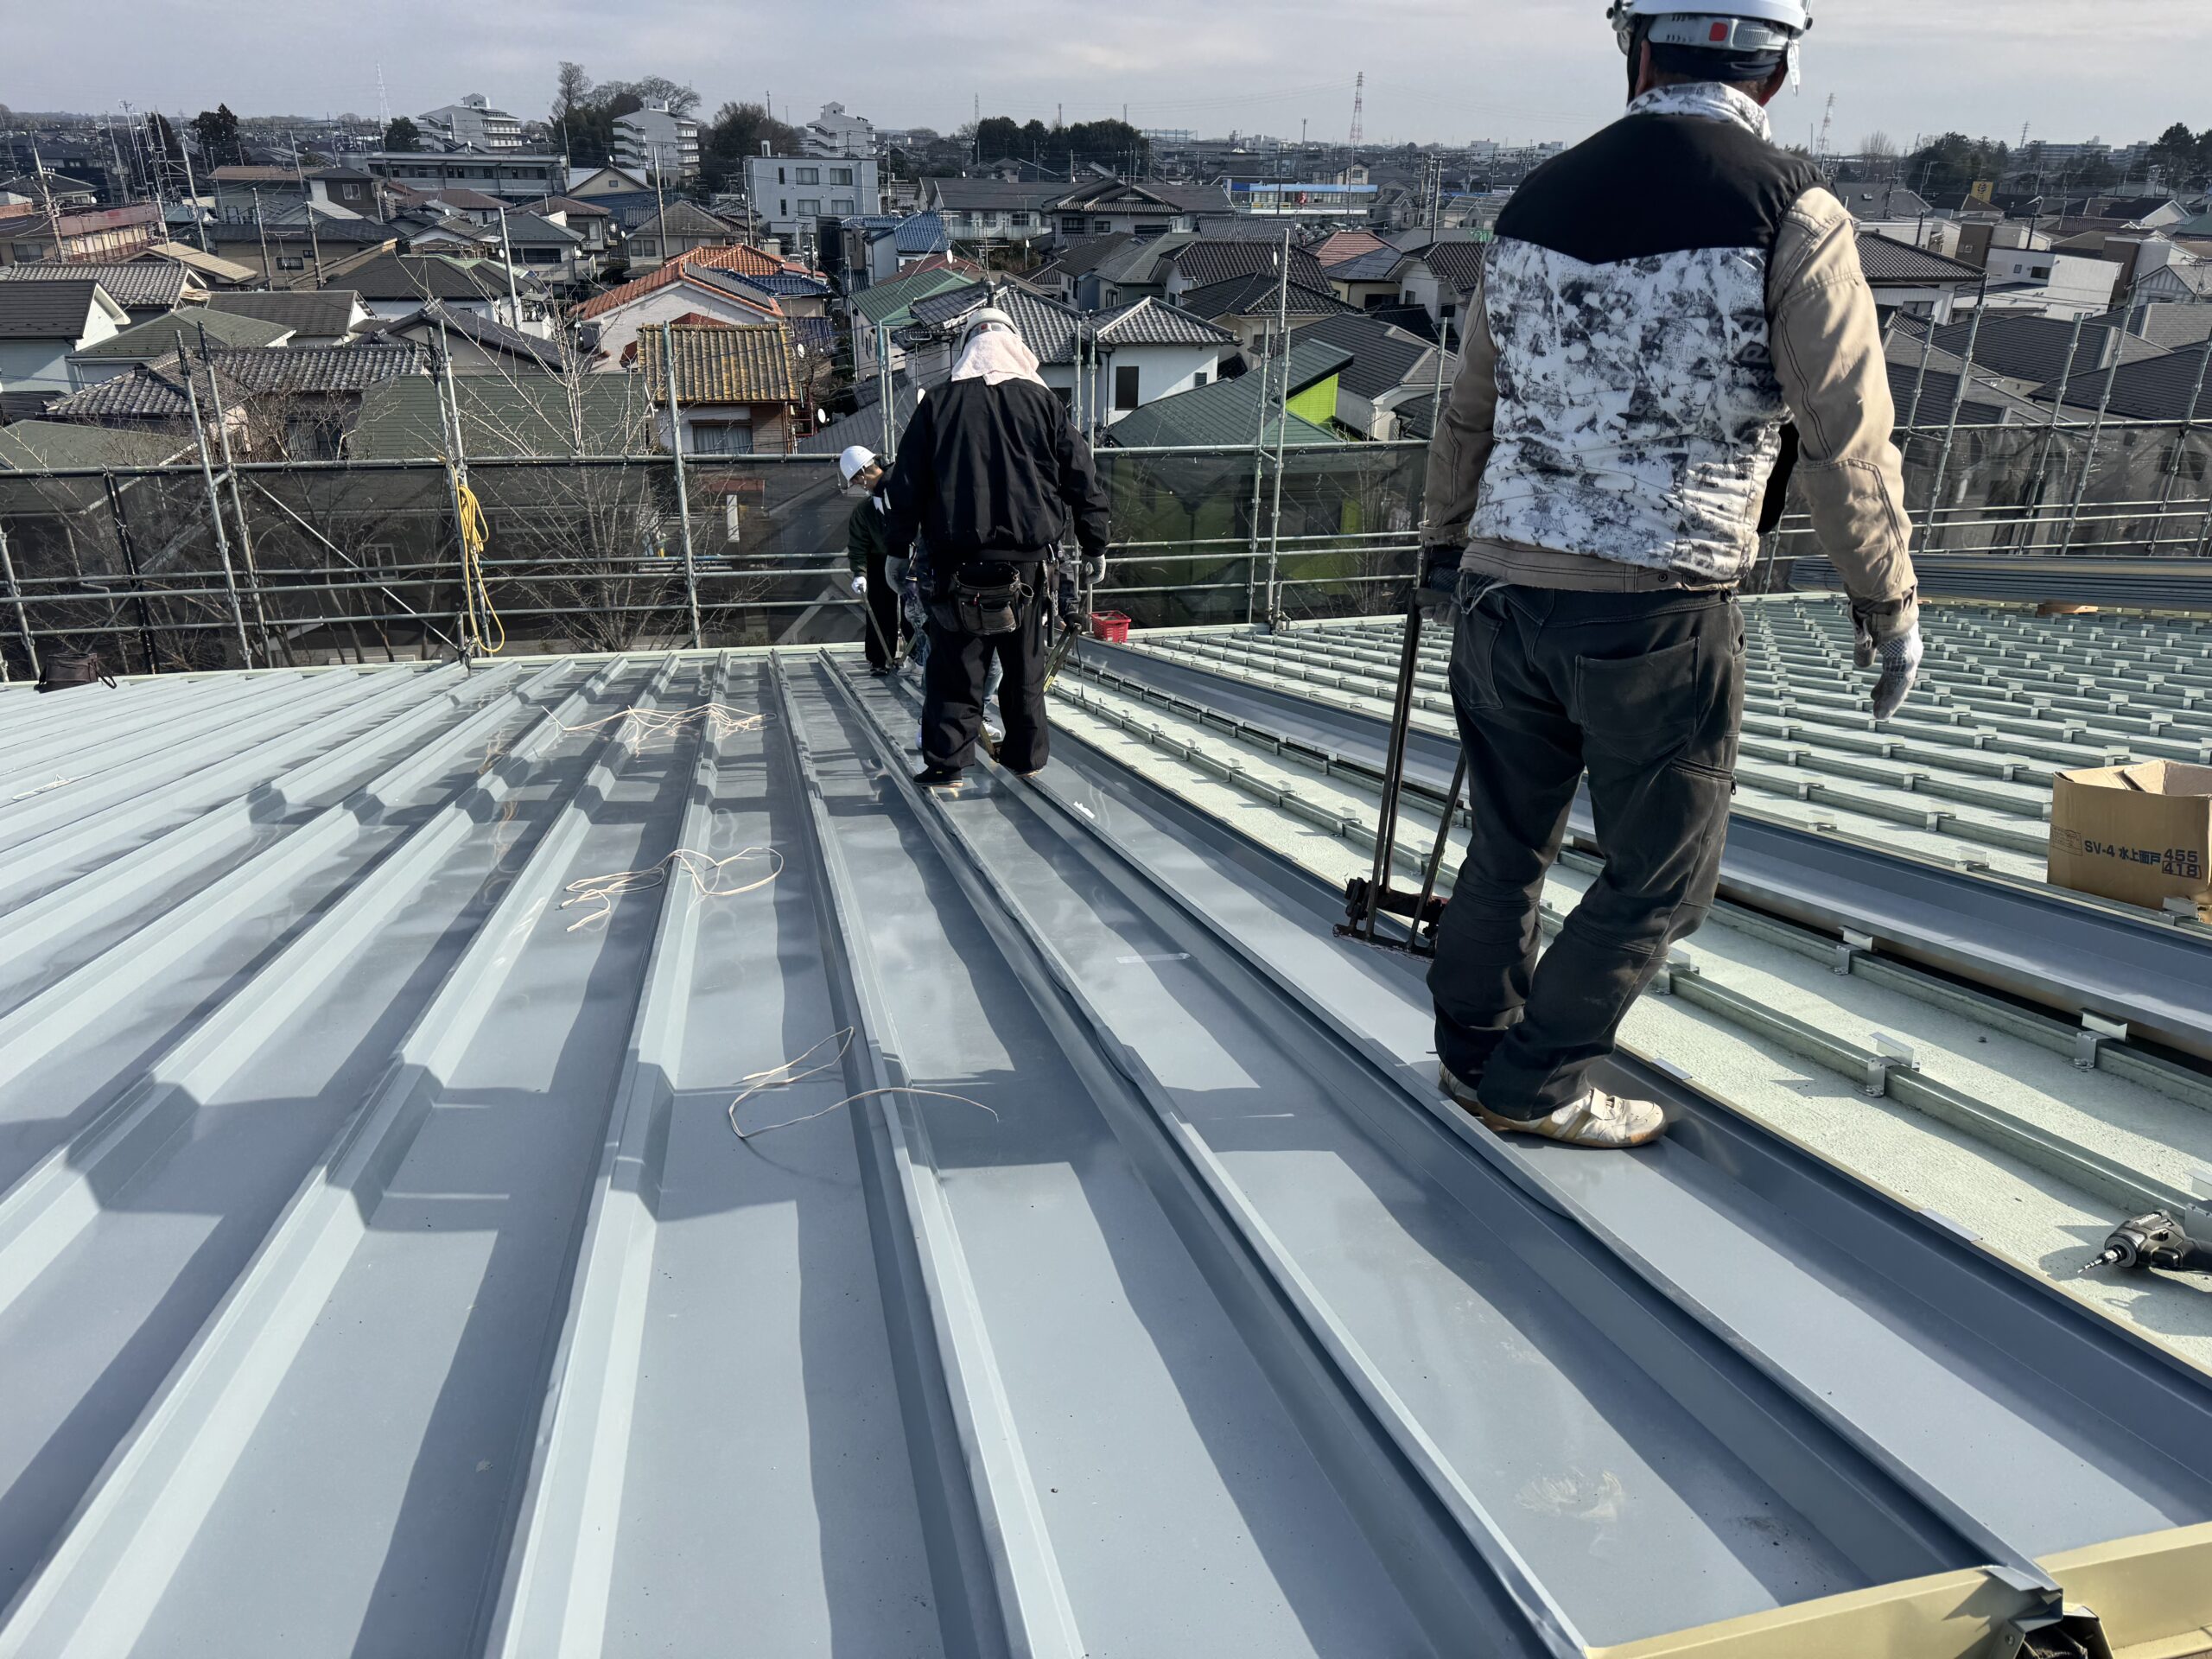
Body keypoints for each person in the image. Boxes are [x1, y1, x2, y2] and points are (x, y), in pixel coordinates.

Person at [1418, 0, 1920, 1149]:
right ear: (1777, 73)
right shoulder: (1791, 210)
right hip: (1655, 603)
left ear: (1637, 53)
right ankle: (1534, 1083)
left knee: (1507, 841)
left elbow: (1469, 406)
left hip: (1500, 588)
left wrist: (1444, 542)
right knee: (1663, 875)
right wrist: (1886, 600)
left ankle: (1471, 1051)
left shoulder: (1535, 199)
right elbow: (1844, 435)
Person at [884, 306, 1109, 785]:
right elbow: (1082, 477)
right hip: (1027, 566)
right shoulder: (1043, 403)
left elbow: (906, 485)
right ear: (1013, 344)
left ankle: (947, 764)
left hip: (954, 564)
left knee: (955, 666)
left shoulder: (938, 403)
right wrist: (1095, 543)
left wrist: (896, 549)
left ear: (966, 348)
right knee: (1024, 665)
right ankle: (1026, 759)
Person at [839, 446, 906, 675]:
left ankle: (916, 657)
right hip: (880, 559)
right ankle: (880, 658)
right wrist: (860, 573)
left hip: (911, 557)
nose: (860, 486)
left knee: (913, 610)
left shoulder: (900, 488)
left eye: (857, 481)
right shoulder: (866, 510)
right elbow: (858, 544)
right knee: (879, 608)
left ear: (862, 473)